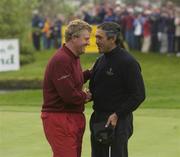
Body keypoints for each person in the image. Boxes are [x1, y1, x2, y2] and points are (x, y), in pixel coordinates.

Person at [89, 22, 145, 157]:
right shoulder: (100, 60)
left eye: (100, 38)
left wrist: (117, 114)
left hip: (119, 120)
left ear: (112, 39)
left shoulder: (128, 62)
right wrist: (89, 95)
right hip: (99, 118)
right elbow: (96, 87)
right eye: (96, 37)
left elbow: (138, 95)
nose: (96, 41)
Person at [41, 19, 92, 157]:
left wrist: (90, 73)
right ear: (74, 38)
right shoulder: (62, 59)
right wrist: (87, 96)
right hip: (60, 117)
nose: (88, 42)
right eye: (86, 39)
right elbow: (69, 95)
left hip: (71, 116)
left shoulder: (73, 57)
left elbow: (73, 80)